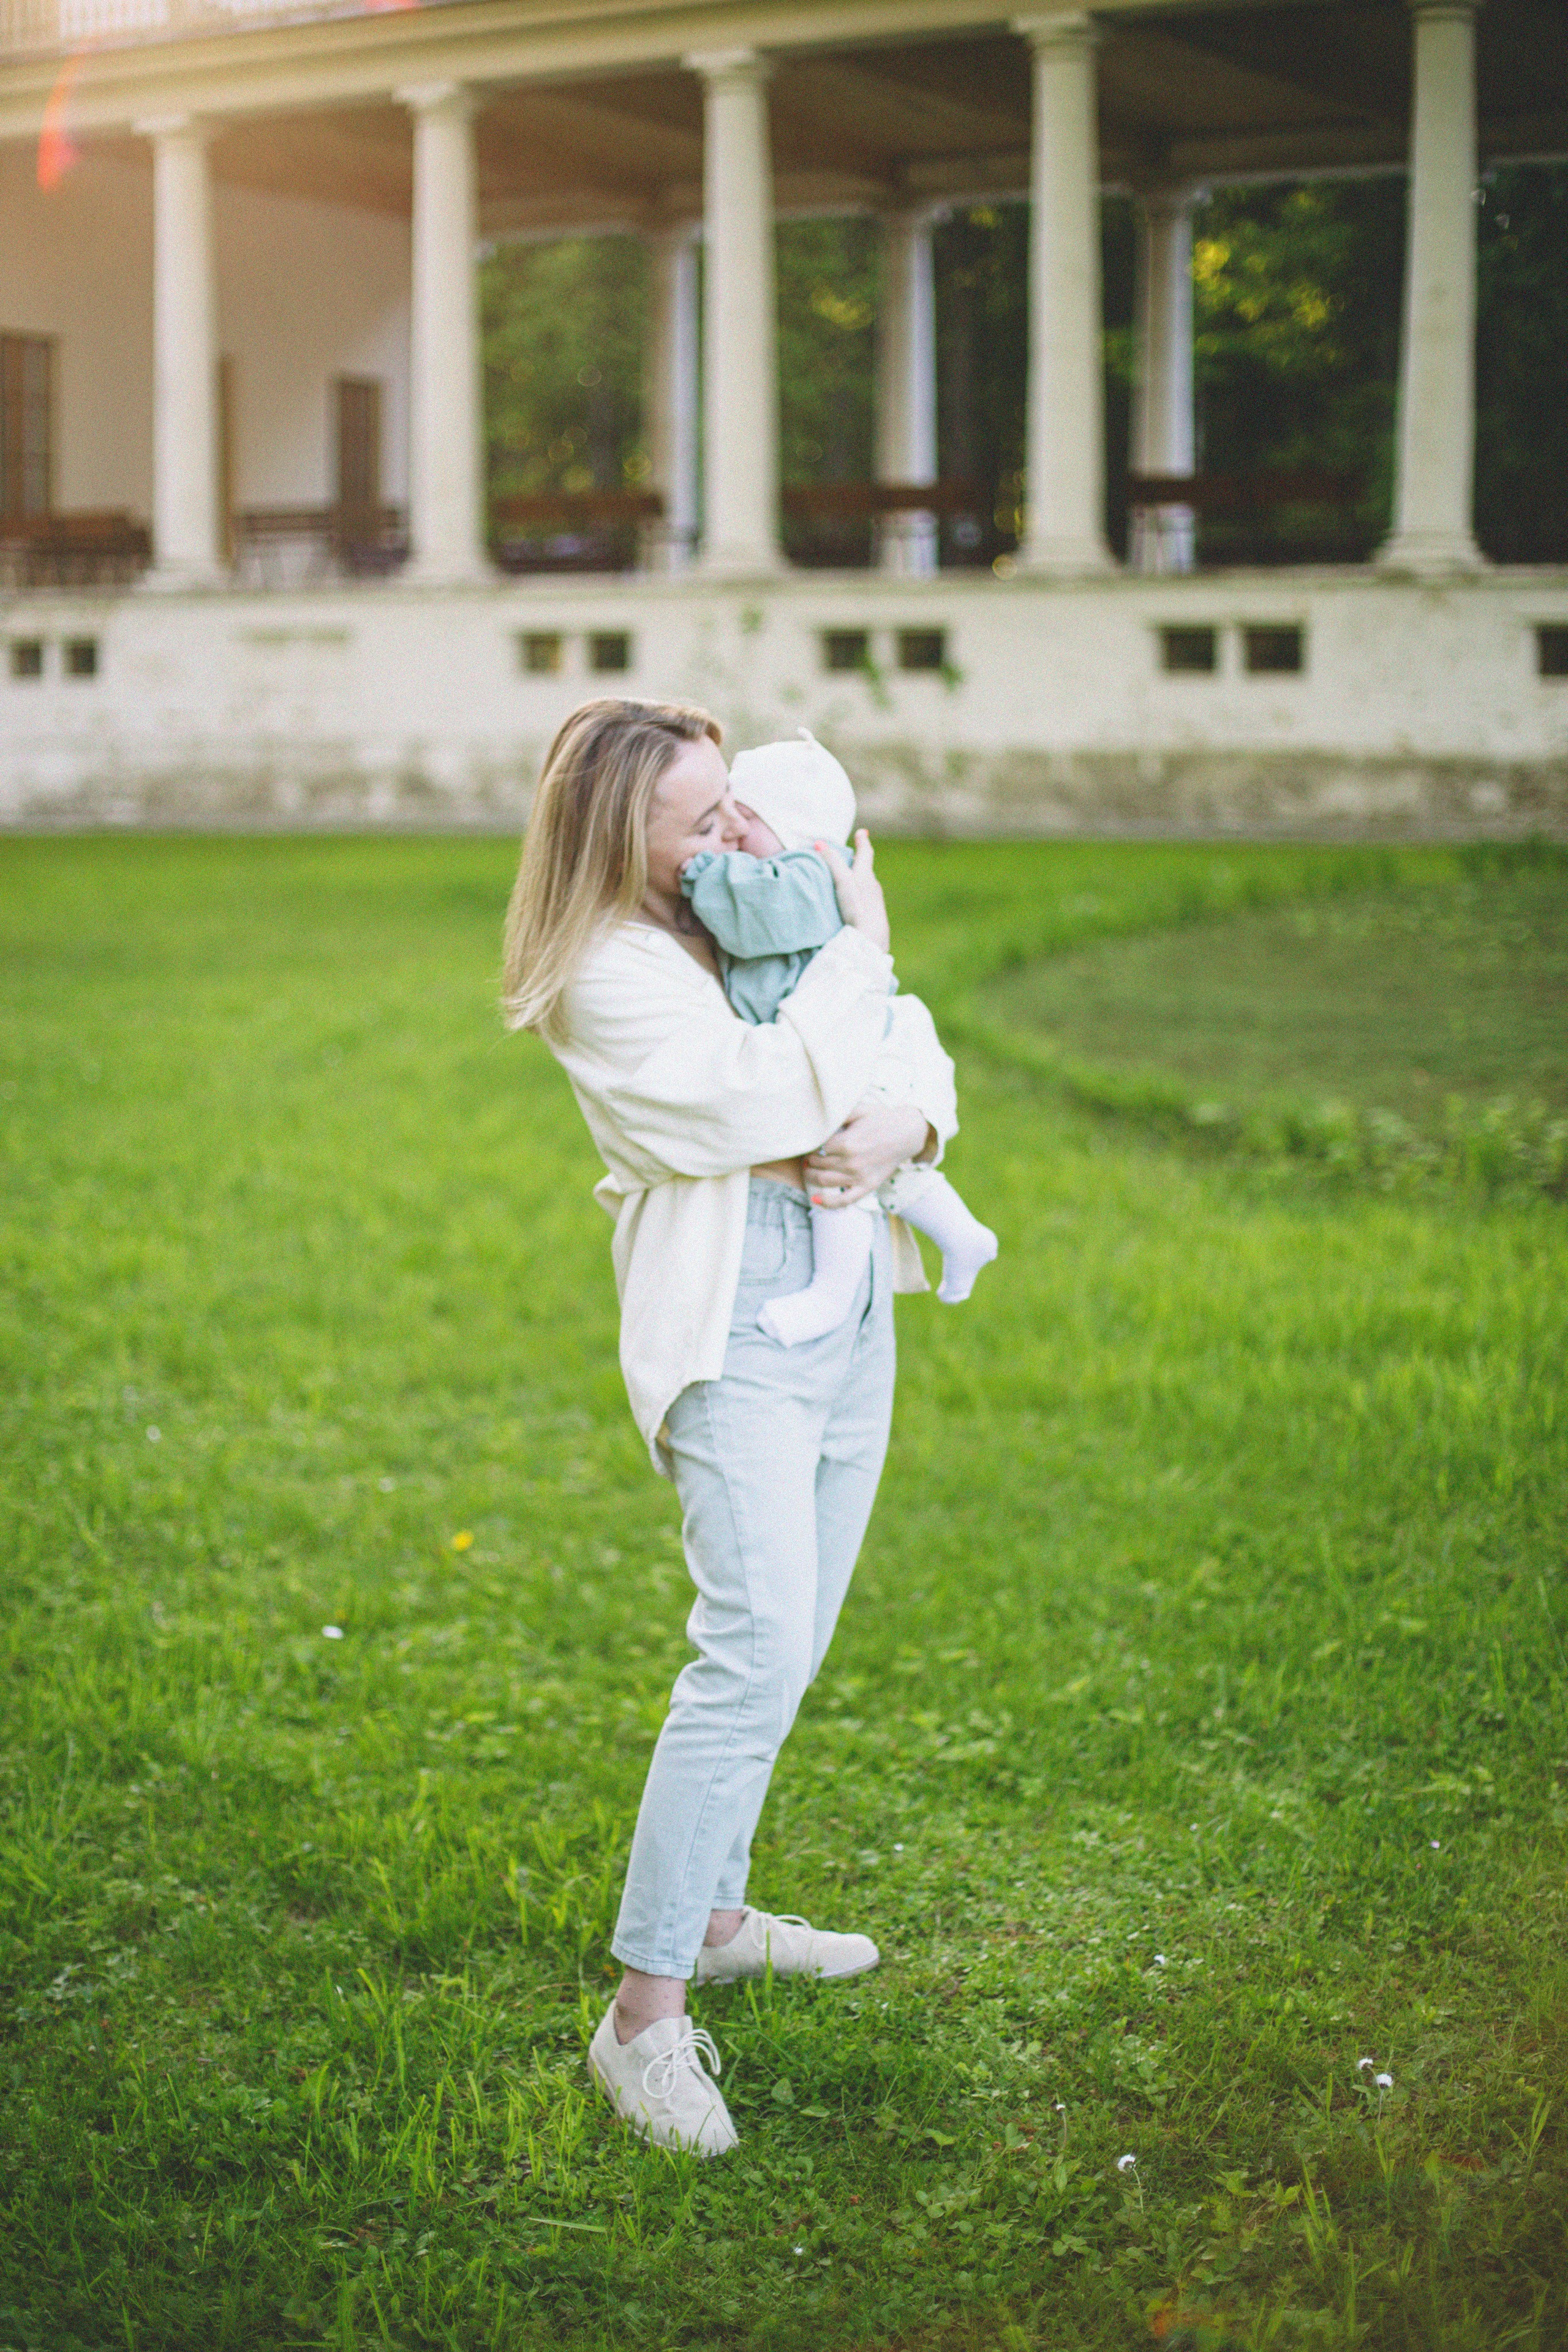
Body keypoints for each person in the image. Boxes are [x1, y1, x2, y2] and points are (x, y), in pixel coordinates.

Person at [502, 699, 958, 2158]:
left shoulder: (737, 913)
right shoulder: (604, 971)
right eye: (700, 819)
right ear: (611, 836)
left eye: (732, 804)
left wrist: (911, 1127)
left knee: (794, 1638)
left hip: (851, 1297)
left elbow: (898, 1053)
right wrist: (863, 940)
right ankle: (641, 2016)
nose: (739, 832)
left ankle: (711, 1916)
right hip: (736, 1316)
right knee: (750, 1643)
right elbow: (768, 1095)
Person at [681, 729, 998, 1348]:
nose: (733, 834)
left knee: (840, 1162)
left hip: (853, 1048)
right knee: (881, 1160)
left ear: (794, 827)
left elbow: (752, 922)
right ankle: (962, 1235)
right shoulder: (796, 869)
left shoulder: (806, 874)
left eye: (746, 819)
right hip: (848, 1041)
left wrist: (704, 874)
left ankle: (831, 1293)